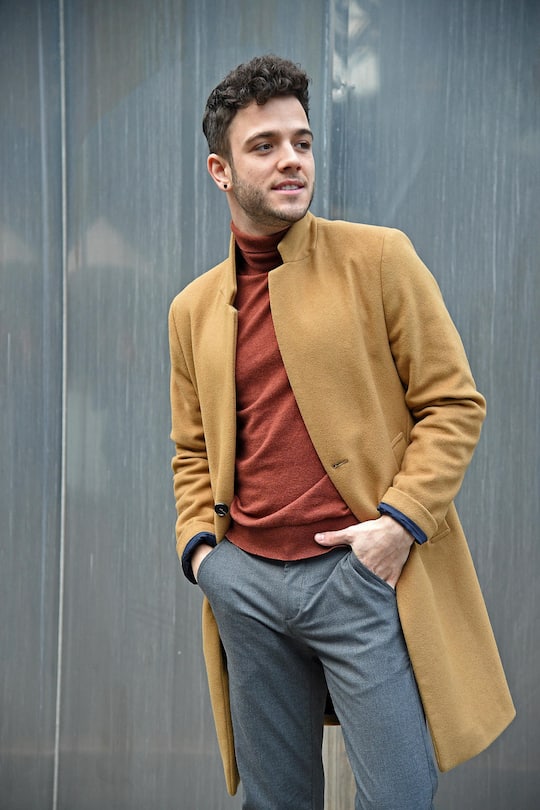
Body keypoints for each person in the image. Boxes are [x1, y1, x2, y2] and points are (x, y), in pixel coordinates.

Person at [168, 54, 514, 810]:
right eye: (265, 146)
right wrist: (202, 556)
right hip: (247, 584)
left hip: (359, 579)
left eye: (302, 141)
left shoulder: (379, 259)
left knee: (397, 794)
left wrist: (395, 529)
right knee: (276, 799)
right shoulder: (192, 310)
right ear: (220, 171)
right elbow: (192, 450)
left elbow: (454, 405)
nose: (291, 159)